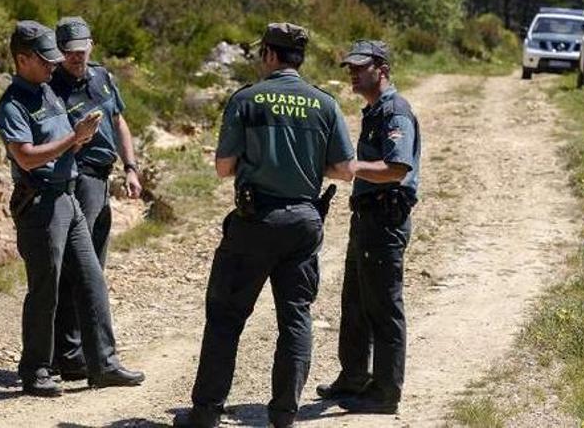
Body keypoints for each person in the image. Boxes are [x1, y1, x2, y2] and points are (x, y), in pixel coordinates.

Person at [173, 22, 355, 428]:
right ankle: (285, 414)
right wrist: (307, 166)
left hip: (255, 222)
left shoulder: (247, 99)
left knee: (225, 318)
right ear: (299, 58)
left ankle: (205, 413)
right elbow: (345, 170)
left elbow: (223, 168)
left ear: (270, 55)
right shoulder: (324, 104)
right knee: (295, 318)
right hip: (304, 222)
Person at [0, 20, 145, 397]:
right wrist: (72, 139)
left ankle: (103, 364)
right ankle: (36, 370)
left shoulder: (47, 91)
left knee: (91, 279)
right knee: (46, 288)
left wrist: (83, 139)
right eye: (45, 60)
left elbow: (66, 139)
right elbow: (26, 157)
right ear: (22, 58)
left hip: (69, 195)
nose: (52, 66)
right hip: (41, 201)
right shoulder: (14, 103)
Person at [316, 40, 421, 415]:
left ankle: (385, 391)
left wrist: (353, 168)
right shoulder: (374, 111)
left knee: (383, 306)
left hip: (384, 218)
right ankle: (354, 376)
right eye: (350, 68)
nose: (354, 74)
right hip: (367, 217)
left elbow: (397, 168)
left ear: (382, 68)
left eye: (361, 67)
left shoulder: (395, 112)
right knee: (356, 301)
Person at [49, 16, 142, 380]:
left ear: (92, 45)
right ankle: (78, 356)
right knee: (81, 269)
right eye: (69, 52)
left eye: (81, 49)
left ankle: (72, 355)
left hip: (103, 177)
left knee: (92, 266)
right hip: (78, 177)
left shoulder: (103, 77)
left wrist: (131, 167)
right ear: (59, 52)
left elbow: (119, 122)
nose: (76, 57)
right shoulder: (51, 88)